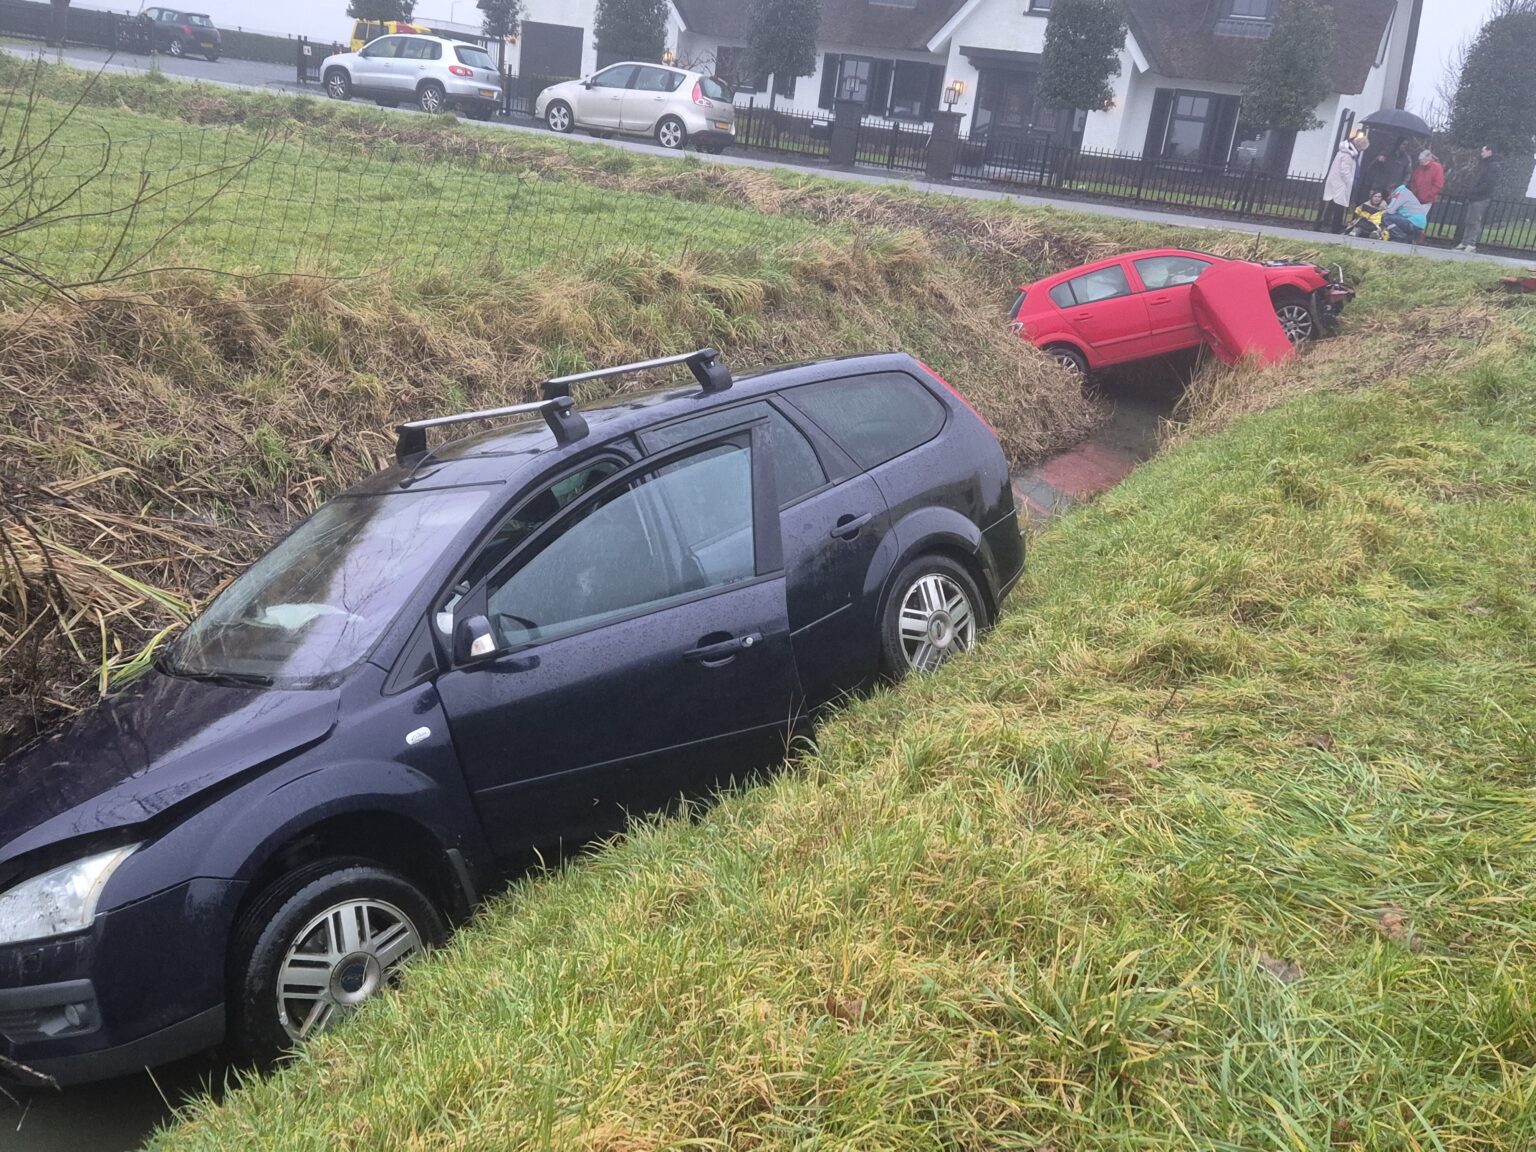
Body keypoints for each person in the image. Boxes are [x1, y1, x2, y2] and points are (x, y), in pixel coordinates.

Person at [1456, 144, 1503, 253]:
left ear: (1489, 151)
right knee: (1469, 220)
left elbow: (1488, 183)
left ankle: (1471, 243)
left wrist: (1474, 190)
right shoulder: (1486, 164)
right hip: (1476, 196)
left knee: (1475, 220)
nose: (1481, 153)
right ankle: (1465, 242)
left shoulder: (1493, 166)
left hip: (1481, 197)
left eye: (1483, 151)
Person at [1318, 130, 1368, 231]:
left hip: (1335, 181)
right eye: (1362, 149)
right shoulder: (1348, 155)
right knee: (1339, 206)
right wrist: (1350, 181)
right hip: (1341, 184)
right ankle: (1335, 227)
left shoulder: (1344, 152)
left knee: (1331, 204)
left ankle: (1321, 223)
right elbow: (1345, 171)